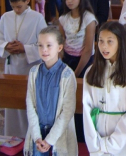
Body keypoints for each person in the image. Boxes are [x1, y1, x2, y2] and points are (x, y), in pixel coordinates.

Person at [83, 21, 126, 155]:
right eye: (101, 41)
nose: (104, 46)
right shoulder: (91, 72)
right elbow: (87, 110)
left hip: (123, 141)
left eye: (110, 41)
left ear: (120, 42)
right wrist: (95, 144)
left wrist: (113, 143)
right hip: (97, 140)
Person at [0, 0, 47, 137]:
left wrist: (25, 48)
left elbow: (45, 44)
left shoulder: (37, 18)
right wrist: (6, 46)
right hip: (12, 67)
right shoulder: (6, 17)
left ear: (27, 1)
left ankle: (31, 137)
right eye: (13, 7)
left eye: (19, 6)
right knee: (13, 105)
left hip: (30, 67)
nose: (16, 10)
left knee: (29, 104)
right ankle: (13, 136)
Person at [25, 27, 77, 156]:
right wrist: (36, 135)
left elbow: (68, 111)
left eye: (49, 45)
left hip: (59, 133)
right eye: (40, 45)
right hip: (38, 132)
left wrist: (50, 140)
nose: (44, 50)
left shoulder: (67, 75)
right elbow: (30, 104)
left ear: (59, 47)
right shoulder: (34, 72)